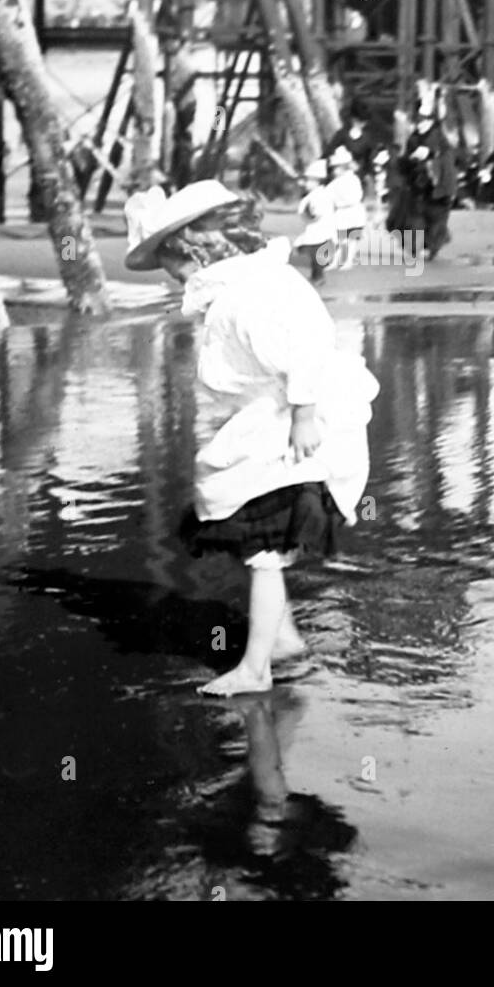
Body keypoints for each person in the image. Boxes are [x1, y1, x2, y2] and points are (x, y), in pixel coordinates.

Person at [124, 180, 378, 697]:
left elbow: (307, 343)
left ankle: (255, 668)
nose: (169, 277)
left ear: (194, 252)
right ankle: (281, 639)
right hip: (277, 417)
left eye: (170, 264)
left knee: (264, 546)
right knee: (247, 522)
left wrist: (305, 414)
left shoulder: (250, 296)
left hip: (299, 425)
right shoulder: (246, 287)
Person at [393, 91, 457, 258]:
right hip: (418, 184)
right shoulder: (414, 138)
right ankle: (415, 245)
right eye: (417, 121)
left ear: (429, 121)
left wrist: (430, 154)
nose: (419, 125)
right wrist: (411, 160)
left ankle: (434, 245)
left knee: (436, 219)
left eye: (422, 121)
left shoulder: (440, 137)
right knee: (415, 217)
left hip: (438, 186)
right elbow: (405, 158)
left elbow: (447, 157)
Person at [294, 159, 336, 284]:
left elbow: (317, 213)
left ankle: (319, 276)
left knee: (318, 254)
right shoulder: (312, 195)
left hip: (321, 230)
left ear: (317, 181)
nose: (306, 183)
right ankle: (315, 275)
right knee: (312, 253)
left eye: (309, 181)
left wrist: (309, 214)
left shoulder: (321, 195)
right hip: (314, 229)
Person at [325, 146, 367, 270]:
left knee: (352, 238)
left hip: (353, 212)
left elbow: (355, 197)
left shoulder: (353, 179)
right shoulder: (334, 183)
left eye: (337, 168)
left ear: (344, 167)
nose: (335, 171)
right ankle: (337, 260)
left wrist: (341, 201)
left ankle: (348, 260)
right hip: (341, 214)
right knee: (341, 238)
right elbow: (327, 195)